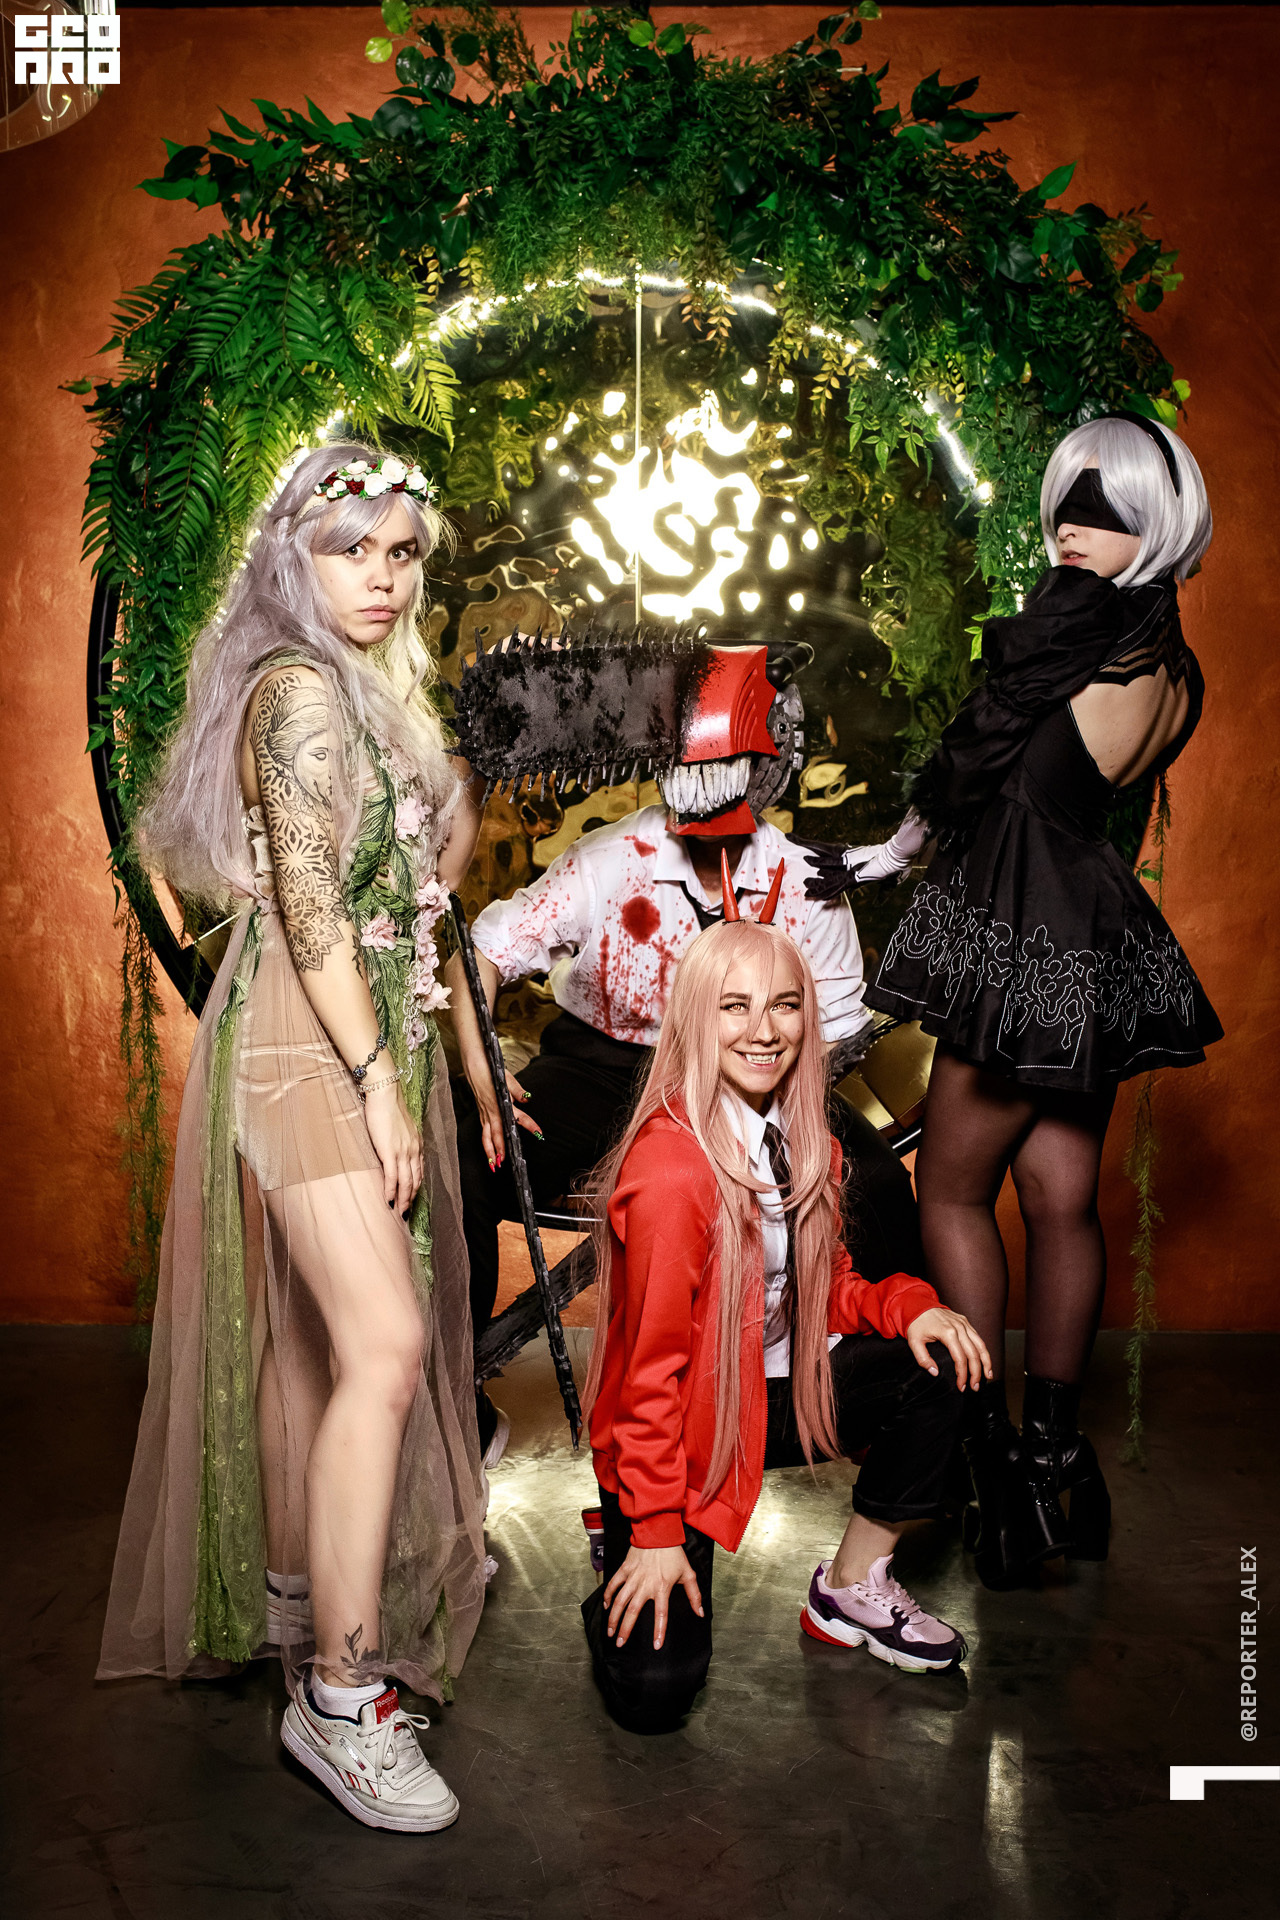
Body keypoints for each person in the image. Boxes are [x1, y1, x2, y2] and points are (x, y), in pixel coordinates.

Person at [98, 445, 489, 1834]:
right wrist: (378, 1075)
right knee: (382, 1345)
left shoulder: (354, 689)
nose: (381, 578)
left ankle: (296, 1595)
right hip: (310, 1039)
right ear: (291, 559)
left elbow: (400, 894)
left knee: (322, 1351)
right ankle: (339, 1693)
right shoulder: (301, 690)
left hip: (345, 1023)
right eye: (349, 549)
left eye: (401, 554)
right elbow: (313, 907)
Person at [805, 413, 1222, 1587]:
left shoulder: (1071, 627)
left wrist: (892, 851)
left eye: (1107, 511)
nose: (1074, 531)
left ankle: (979, 1443)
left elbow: (974, 757)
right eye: (1066, 507)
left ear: (1158, 521)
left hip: (1022, 930)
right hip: (1090, 930)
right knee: (1059, 1198)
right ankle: (1049, 1458)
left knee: (948, 1188)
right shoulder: (1168, 655)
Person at [578, 869, 990, 1734]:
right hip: (680, 1437)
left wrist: (911, 1307)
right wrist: (653, 1531)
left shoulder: (807, 1144)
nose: (764, 1031)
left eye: (784, 1006)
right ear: (696, 1020)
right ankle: (617, 1540)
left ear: (809, 1018)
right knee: (656, 1696)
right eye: (734, 1007)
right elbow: (647, 1379)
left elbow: (823, 1287)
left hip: (771, 1398)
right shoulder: (672, 1171)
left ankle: (851, 1587)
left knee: (946, 1361)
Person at [449, 780, 921, 1463]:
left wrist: (758, 1109)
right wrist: (482, 1066)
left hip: (756, 1073)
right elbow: (482, 952)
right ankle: (456, 1400)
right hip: (604, 1071)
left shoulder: (808, 877)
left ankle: (884, 1412)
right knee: (471, 1147)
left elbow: (830, 1037)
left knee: (877, 1184)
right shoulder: (611, 857)